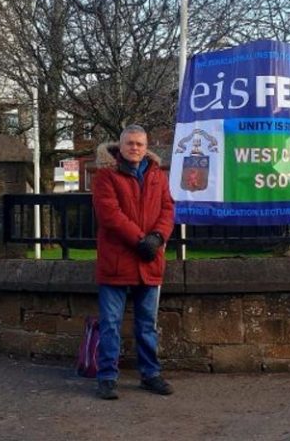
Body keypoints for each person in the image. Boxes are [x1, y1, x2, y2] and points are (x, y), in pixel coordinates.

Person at [91, 124, 176, 400]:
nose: (135, 148)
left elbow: (168, 209)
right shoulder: (105, 175)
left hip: (149, 260)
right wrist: (141, 240)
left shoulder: (157, 175)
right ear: (121, 145)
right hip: (117, 260)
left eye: (140, 144)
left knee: (147, 324)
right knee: (110, 323)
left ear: (146, 146)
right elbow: (110, 215)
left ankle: (150, 374)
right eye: (130, 143)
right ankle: (107, 377)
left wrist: (158, 237)